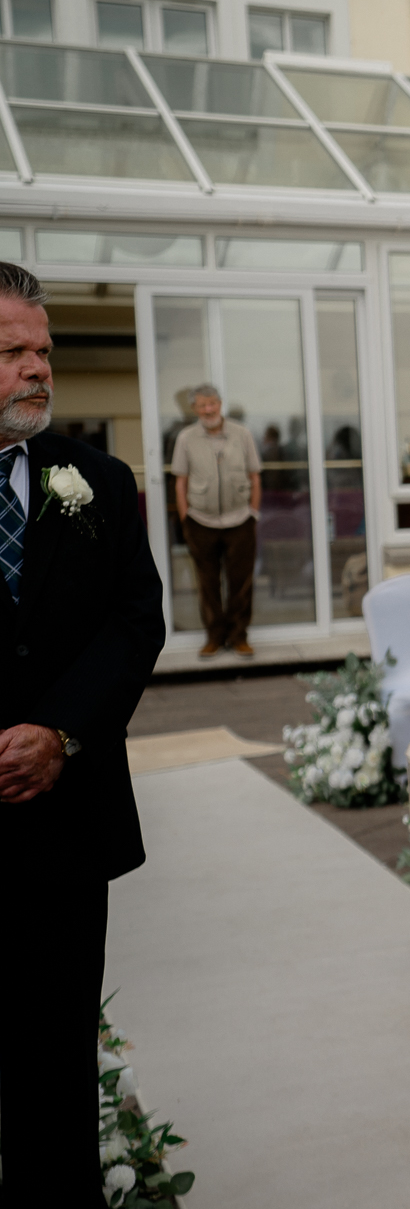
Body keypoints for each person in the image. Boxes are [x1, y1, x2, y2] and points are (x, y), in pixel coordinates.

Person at [0, 262, 165, 1207]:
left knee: (56, 1062)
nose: (38, 370)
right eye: (13, 351)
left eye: (44, 350)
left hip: (67, 832)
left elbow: (135, 620)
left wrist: (61, 732)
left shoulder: (95, 479)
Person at [170, 383, 261, 658]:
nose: (209, 409)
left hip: (240, 520)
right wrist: (187, 519)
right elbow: (180, 483)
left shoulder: (242, 434)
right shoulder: (186, 438)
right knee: (208, 585)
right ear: (194, 409)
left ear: (220, 404)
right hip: (201, 521)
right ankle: (214, 637)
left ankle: (238, 637)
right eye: (202, 405)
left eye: (213, 403)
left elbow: (255, 476)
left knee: (241, 583)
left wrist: (253, 513)